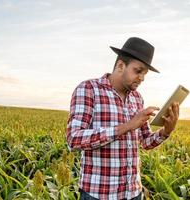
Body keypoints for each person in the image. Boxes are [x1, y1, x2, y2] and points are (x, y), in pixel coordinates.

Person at [66, 37, 179, 200]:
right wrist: (126, 126)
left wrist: (167, 131)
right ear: (120, 65)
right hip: (99, 194)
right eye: (138, 71)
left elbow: (145, 142)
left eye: (145, 74)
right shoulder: (89, 89)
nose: (142, 78)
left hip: (133, 193)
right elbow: (73, 139)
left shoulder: (137, 98)